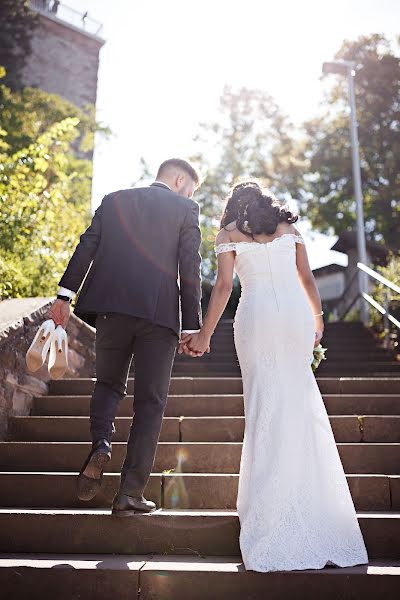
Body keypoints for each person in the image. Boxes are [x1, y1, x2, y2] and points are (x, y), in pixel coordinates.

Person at [181, 181, 368, 571]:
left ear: (235, 205)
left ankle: (272, 516)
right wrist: (317, 321)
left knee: (266, 406)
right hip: (294, 318)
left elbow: (223, 287)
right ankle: (316, 509)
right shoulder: (289, 229)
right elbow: (308, 279)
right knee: (300, 404)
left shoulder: (229, 233)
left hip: (257, 317)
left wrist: (204, 334)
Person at [48, 158, 204, 516]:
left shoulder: (114, 199)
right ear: (180, 180)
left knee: (107, 385)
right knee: (150, 402)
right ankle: (130, 492)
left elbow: (86, 246)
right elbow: (189, 266)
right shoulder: (185, 209)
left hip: (112, 310)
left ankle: (102, 443)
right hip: (159, 315)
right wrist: (191, 324)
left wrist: (64, 296)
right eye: (191, 188)